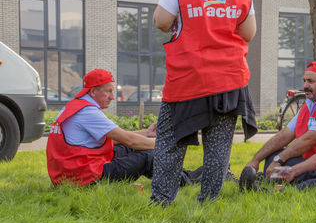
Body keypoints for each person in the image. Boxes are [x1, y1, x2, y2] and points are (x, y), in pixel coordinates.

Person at [151, 0, 257, 204]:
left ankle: (161, 201)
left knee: (171, 142)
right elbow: (248, 34)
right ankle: (208, 201)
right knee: (218, 144)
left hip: (188, 77)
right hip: (229, 79)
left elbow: (161, 20)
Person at [46, 69, 201, 186]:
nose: (113, 97)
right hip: (83, 176)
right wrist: (165, 145)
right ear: (93, 91)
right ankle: (191, 181)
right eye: (109, 92)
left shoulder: (76, 106)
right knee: (147, 156)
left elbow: (115, 138)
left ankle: (188, 176)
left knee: (140, 150)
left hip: (70, 172)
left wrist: (146, 133)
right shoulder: (88, 112)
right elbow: (129, 141)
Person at [239, 61, 316, 190]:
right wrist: (255, 160)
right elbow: (285, 134)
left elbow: (309, 140)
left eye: (310, 81)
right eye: (304, 80)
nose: (305, 85)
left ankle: (267, 185)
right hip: (307, 159)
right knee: (272, 154)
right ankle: (267, 180)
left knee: (283, 162)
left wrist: (278, 160)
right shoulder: (310, 103)